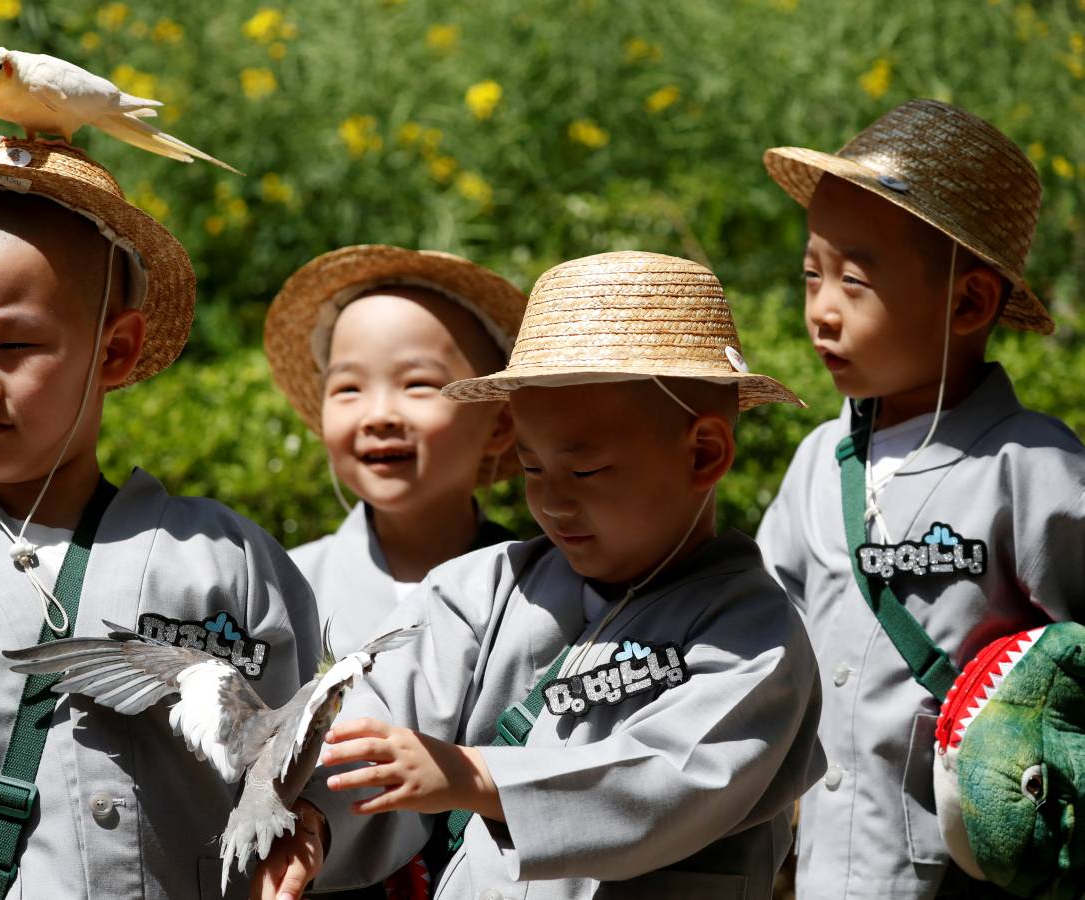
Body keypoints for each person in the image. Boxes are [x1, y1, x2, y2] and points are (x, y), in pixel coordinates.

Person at [0, 140, 321, 899]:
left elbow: (314, 761)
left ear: (115, 349)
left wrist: (314, 824)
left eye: (14, 345)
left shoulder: (224, 561)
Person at [258, 250, 826, 900]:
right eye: (532, 468)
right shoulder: (478, 591)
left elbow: (674, 780)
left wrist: (476, 775)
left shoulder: (755, 634)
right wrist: (311, 819)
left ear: (703, 453)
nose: (552, 502)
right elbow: (380, 709)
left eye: (584, 471)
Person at [756, 99, 1085, 898]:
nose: (820, 309)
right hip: (817, 865)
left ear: (968, 304)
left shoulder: (1031, 467)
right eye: (811, 274)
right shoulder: (817, 461)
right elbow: (765, 632)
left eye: (853, 281)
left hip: (962, 876)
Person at [264, 245, 527, 660]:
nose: (379, 415)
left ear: (500, 424)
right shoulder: (277, 591)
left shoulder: (543, 592)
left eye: (417, 384)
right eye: (348, 388)